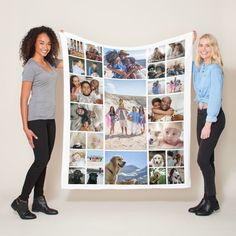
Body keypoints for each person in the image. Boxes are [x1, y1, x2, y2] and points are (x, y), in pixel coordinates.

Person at [11, 26, 63, 220]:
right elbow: (23, 99)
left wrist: (66, 39)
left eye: (49, 43)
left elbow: (70, 61)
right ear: (33, 42)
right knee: (40, 160)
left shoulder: (50, 63)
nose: (45, 47)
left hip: (50, 118)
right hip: (36, 119)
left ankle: (39, 200)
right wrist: (25, 127)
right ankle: (21, 201)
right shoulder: (31, 66)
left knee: (45, 160)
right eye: (42, 43)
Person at [188, 32, 225, 216]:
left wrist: (208, 123)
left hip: (213, 117)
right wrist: (190, 41)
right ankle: (210, 200)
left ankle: (210, 200)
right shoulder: (200, 67)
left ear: (213, 48)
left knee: (202, 159)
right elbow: (185, 64)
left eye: (207, 45)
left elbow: (216, 99)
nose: (203, 49)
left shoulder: (215, 69)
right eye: (200, 45)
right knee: (208, 159)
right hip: (201, 114)